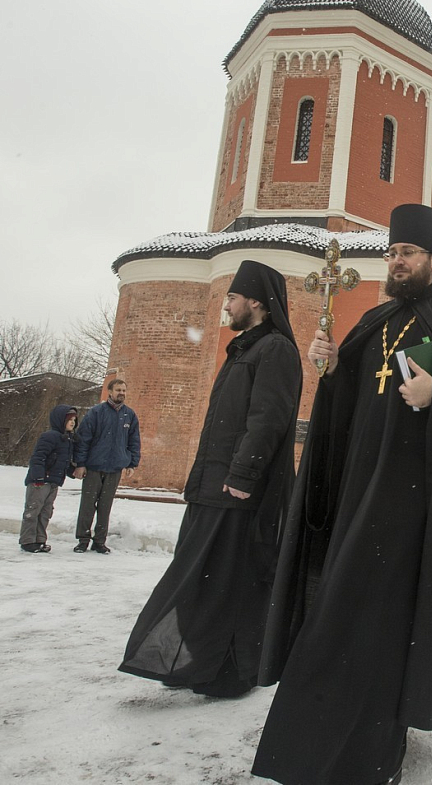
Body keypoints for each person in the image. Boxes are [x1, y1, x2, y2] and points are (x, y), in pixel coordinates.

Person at [252, 205, 432, 785]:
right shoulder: (377, 320)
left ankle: (368, 750)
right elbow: (351, 402)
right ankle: (321, 745)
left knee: (379, 621)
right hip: (359, 494)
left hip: (416, 506)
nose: (396, 261)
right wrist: (332, 368)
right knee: (344, 615)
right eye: (392, 253)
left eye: (408, 253)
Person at [119, 260, 302, 697]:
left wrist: (243, 474)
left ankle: (230, 673)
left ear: (256, 301)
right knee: (201, 581)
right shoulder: (244, 349)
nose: (227, 306)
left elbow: (267, 419)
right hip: (211, 487)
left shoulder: (275, 349)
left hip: (236, 491)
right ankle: (198, 664)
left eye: (232, 297)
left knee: (225, 583)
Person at [72, 378, 140, 554]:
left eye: (124, 390)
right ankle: (83, 540)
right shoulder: (96, 412)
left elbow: (134, 441)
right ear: (110, 392)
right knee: (87, 506)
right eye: (118, 390)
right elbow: (83, 439)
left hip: (115, 468)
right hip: (94, 466)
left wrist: (132, 463)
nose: (121, 393)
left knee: (105, 507)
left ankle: (99, 541)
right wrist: (80, 464)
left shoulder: (129, 415)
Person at [20, 405, 77, 553]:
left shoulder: (68, 439)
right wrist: (39, 477)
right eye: (69, 419)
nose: (73, 422)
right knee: (33, 510)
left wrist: (73, 472)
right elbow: (38, 457)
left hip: (53, 482)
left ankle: (39, 539)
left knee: (45, 512)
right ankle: (27, 541)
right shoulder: (50, 436)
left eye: (74, 420)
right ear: (60, 420)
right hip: (40, 481)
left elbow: (63, 461)